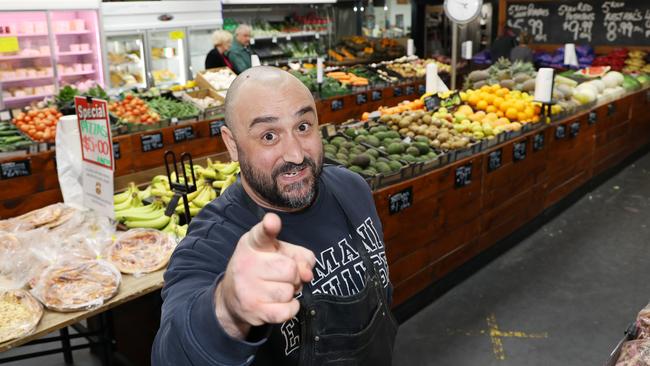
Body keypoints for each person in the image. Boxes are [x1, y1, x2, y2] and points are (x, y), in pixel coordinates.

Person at [151, 66, 397, 366]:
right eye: (269, 135)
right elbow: (170, 355)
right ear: (232, 144)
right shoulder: (212, 242)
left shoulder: (353, 189)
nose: (295, 154)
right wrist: (227, 310)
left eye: (303, 126)